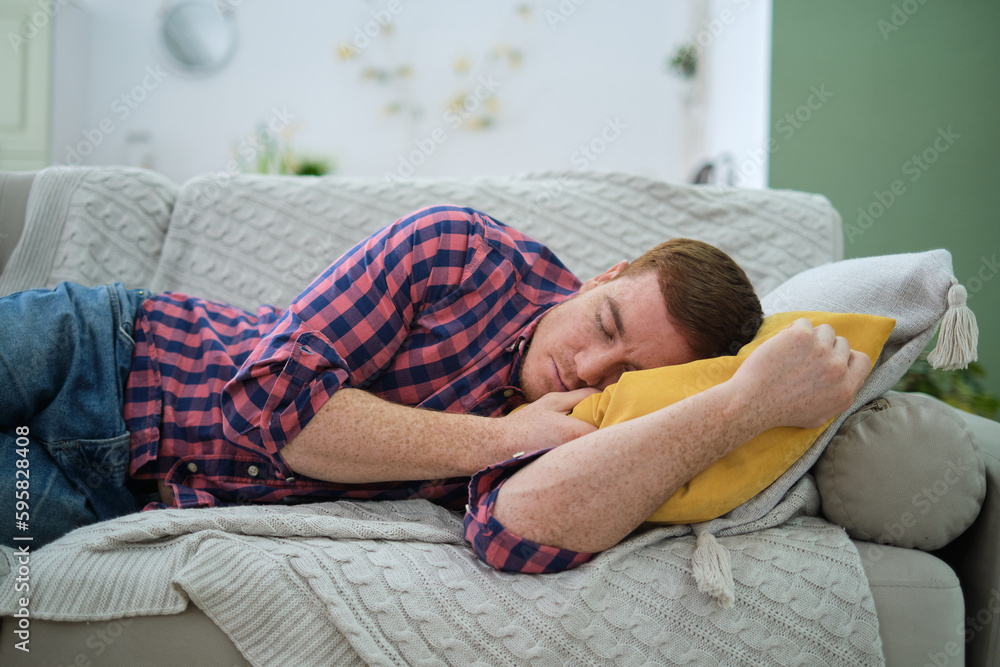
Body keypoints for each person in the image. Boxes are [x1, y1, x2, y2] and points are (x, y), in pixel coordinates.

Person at [0, 205, 870, 572]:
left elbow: (510, 542)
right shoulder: (460, 250)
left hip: (107, 497)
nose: (592, 371)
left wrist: (743, 404)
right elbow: (271, 404)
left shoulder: (594, 423)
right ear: (604, 274)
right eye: (606, 325)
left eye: (632, 375)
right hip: (98, 348)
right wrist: (499, 435)